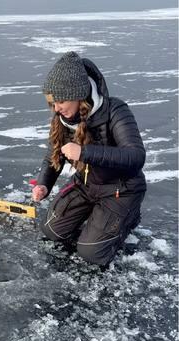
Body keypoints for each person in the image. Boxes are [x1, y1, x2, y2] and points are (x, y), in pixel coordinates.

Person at [32, 51, 147, 267]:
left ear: (79, 95)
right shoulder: (64, 119)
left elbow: (136, 156)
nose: (56, 109)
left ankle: (129, 218)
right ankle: (94, 215)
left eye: (61, 101)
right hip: (87, 184)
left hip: (121, 190)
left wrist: (84, 152)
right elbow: (53, 154)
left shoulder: (115, 110)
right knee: (51, 230)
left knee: (90, 253)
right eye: (53, 103)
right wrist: (43, 184)